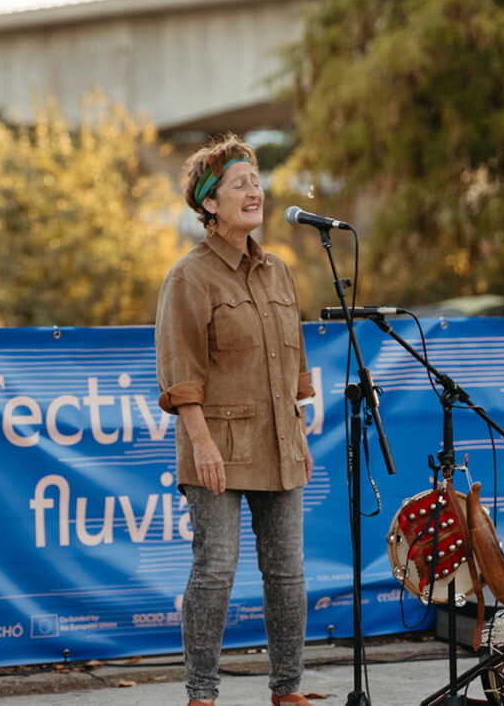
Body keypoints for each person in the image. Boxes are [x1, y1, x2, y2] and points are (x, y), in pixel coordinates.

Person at [155, 135, 317, 706]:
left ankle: (287, 689)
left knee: (288, 573)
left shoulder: (278, 273)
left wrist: (297, 429)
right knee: (216, 570)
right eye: (239, 184)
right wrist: (200, 445)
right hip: (216, 448)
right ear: (210, 204)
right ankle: (202, 694)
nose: (256, 191)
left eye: (257, 180)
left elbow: (295, 358)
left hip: (279, 442)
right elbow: (181, 376)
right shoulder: (189, 277)